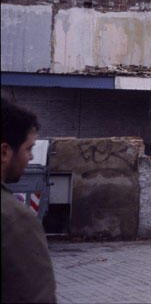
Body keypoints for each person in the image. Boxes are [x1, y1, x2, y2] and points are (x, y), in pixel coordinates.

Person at [1, 98, 57, 303]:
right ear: (4, 152)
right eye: (28, 148)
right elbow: (35, 296)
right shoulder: (13, 218)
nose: (31, 157)